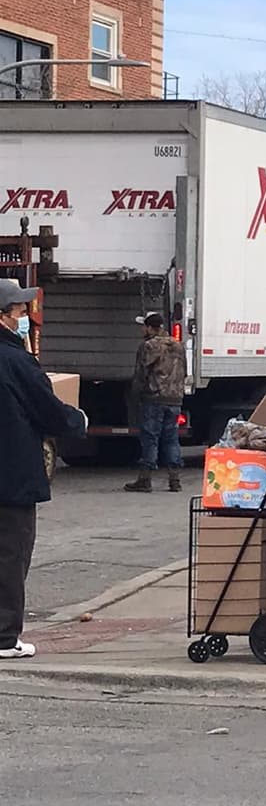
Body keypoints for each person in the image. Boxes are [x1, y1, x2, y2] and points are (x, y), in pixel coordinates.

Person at [1, 280, 87, 659]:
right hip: (11, 475)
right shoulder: (15, 359)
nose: (26, 318)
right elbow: (47, 409)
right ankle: (4, 637)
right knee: (10, 554)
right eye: (20, 312)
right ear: (3, 316)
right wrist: (77, 420)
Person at [124, 312, 187, 494]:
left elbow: (141, 374)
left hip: (154, 398)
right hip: (175, 399)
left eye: (144, 326)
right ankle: (174, 480)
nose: (142, 330)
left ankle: (145, 479)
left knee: (150, 438)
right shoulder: (178, 345)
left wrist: (135, 397)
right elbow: (183, 370)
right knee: (171, 438)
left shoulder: (148, 346)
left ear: (151, 328)